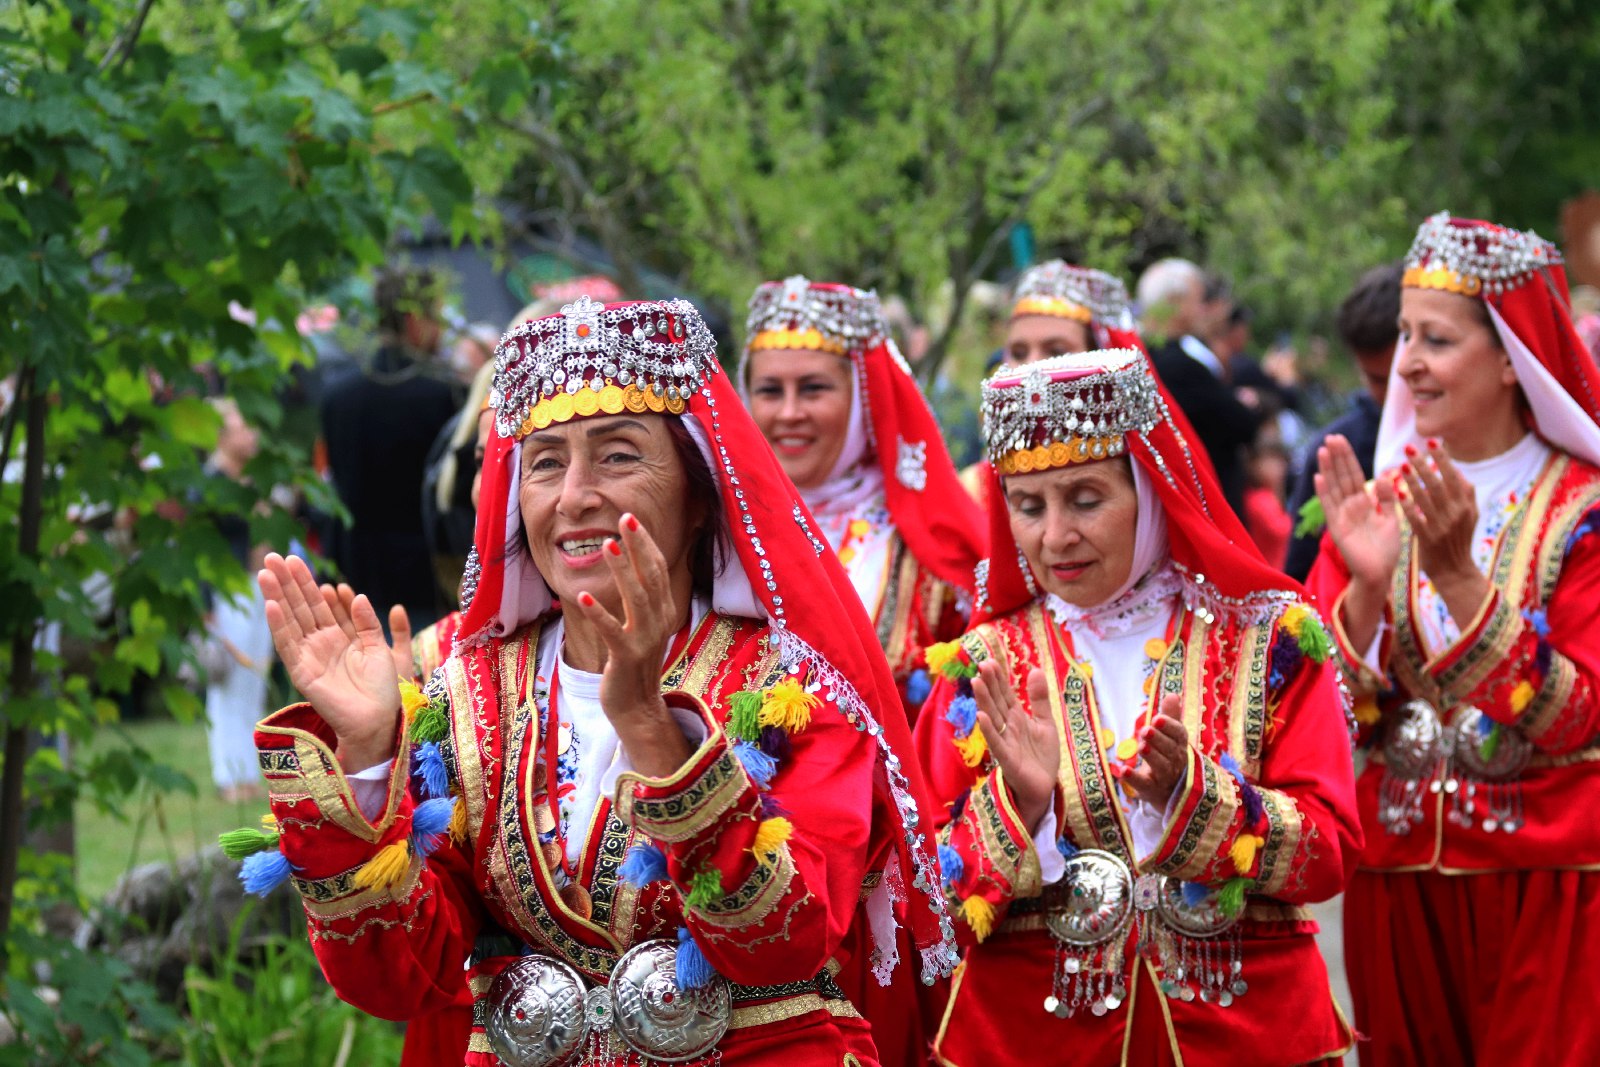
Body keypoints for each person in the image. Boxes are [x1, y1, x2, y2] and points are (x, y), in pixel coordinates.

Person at [241, 297, 958, 1067]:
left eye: (618, 455)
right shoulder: (468, 689)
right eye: (545, 461)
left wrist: (653, 728)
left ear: (699, 497)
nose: (575, 495)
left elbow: (782, 944)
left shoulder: (790, 682)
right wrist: (366, 758)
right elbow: (398, 977)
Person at [917, 349, 1359, 1066]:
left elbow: (1331, 854)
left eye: (1085, 499)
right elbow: (928, 899)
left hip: (1247, 1031)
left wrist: (1203, 797)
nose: (1054, 536)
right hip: (1040, 1035)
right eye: (1028, 506)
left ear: (1151, 490)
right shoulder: (981, 664)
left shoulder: (1264, 639)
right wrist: (1018, 807)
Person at [1306, 213, 1600, 1065]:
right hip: (1398, 881)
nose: (1406, 363)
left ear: (1511, 356)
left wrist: (1461, 579)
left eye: (1435, 338)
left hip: (1549, 880)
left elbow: (1577, 714)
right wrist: (1364, 587)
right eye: (1404, 336)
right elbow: (1324, 720)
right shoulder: (1377, 502)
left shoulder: (1582, 508)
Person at [742, 277, 984, 715]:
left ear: (861, 399)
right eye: (770, 391)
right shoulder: (722, 533)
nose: (790, 412)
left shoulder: (931, 548)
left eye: (814, 388)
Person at [320, 265, 459, 633]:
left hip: (353, 570)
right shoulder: (441, 393)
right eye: (438, 317)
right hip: (423, 577)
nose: (442, 331)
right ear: (415, 320)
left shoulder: (337, 394)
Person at [1283, 263, 1403, 581]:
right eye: (1378, 380)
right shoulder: (1336, 453)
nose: (1396, 396)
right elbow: (1299, 579)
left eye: (1404, 378)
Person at [1139, 259, 1261, 519]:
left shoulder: (1144, 356)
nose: (1203, 309)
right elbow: (1240, 423)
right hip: (1206, 503)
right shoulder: (1175, 365)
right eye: (1198, 300)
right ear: (1175, 302)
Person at [200, 398, 274, 802]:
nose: (251, 435)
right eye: (242, 427)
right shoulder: (212, 483)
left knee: (253, 679)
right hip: (226, 588)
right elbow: (202, 546)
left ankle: (248, 770)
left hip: (254, 583)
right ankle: (228, 773)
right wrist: (205, 603)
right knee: (228, 681)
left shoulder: (251, 480)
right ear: (222, 436)